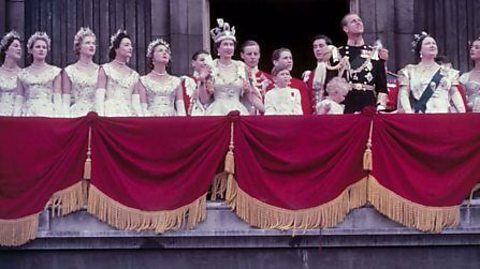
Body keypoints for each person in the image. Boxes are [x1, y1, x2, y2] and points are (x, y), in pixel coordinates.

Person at [200, 19, 264, 116]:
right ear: (218, 48)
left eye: (231, 45)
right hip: (216, 112)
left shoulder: (241, 67)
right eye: (225, 44)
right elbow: (204, 100)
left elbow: (250, 95)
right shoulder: (211, 67)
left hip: (239, 111)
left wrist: (267, 110)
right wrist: (202, 81)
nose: (229, 47)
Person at [331, 13, 388, 113]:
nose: (358, 23)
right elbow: (331, 84)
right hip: (344, 106)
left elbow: (382, 87)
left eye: (359, 20)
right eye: (353, 21)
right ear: (345, 29)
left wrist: (380, 106)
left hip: (368, 106)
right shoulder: (337, 53)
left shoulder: (374, 53)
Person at [397, 32, 465, 113]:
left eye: (434, 43)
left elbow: (454, 93)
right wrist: (408, 113)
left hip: (444, 116)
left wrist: (462, 113)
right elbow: (404, 93)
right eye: (427, 43)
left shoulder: (448, 71)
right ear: (420, 50)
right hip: (422, 116)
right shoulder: (410, 71)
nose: (432, 45)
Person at [95, 29, 145, 117]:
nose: (130, 48)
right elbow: (99, 98)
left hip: (128, 113)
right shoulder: (105, 69)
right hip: (110, 112)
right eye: (126, 45)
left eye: (131, 45)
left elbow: (136, 103)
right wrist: (100, 118)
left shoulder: (134, 75)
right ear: (116, 48)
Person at [14, 32, 62, 117]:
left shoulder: (55, 72)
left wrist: (59, 120)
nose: (41, 49)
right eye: (38, 47)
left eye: (44, 47)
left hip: (48, 113)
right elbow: (19, 101)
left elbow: (57, 100)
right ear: (31, 50)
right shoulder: (22, 74)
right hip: (28, 114)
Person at [138, 38, 185, 116]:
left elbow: (181, 109)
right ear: (152, 58)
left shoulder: (176, 81)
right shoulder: (143, 81)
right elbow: (143, 108)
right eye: (160, 51)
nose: (164, 53)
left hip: (172, 120)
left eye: (166, 51)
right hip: (151, 120)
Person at [62, 27, 99, 117]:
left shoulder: (101, 70)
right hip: (77, 114)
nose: (91, 46)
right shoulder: (69, 71)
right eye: (87, 43)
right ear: (79, 47)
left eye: (93, 43)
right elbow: (65, 101)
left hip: (96, 113)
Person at [303, 35, 341, 113]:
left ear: (329, 48)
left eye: (321, 46)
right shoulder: (310, 74)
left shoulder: (337, 70)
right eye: (315, 47)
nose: (318, 49)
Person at [271, 48, 313, 114]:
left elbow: (306, 110)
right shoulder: (269, 84)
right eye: (285, 58)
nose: (289, 61)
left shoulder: (300, 84)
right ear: (275, 62)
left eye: (290, 58)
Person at [240, 40, 271, 114]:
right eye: (249, 54)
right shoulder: (237, 76)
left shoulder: (269, 79)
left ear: (259, 55)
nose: (253, 57)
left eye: (255, 54)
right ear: (242, 55)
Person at [181, 49, 211, 116]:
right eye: (202, 60)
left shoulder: (215, 81)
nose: (205, 63)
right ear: (193, 63)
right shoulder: (186, 81)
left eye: (208, 60)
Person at [0, 30, 22, 116]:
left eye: (20, 46)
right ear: (6, 50)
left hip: (17, 115)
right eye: (15, 46)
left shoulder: (23, 74)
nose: (19, 49)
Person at [459, 38, 480, 112]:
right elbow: (461, 102)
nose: (472, 49)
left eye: (477, 47)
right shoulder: (465, 77)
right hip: (472, 115)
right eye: (472, 47)